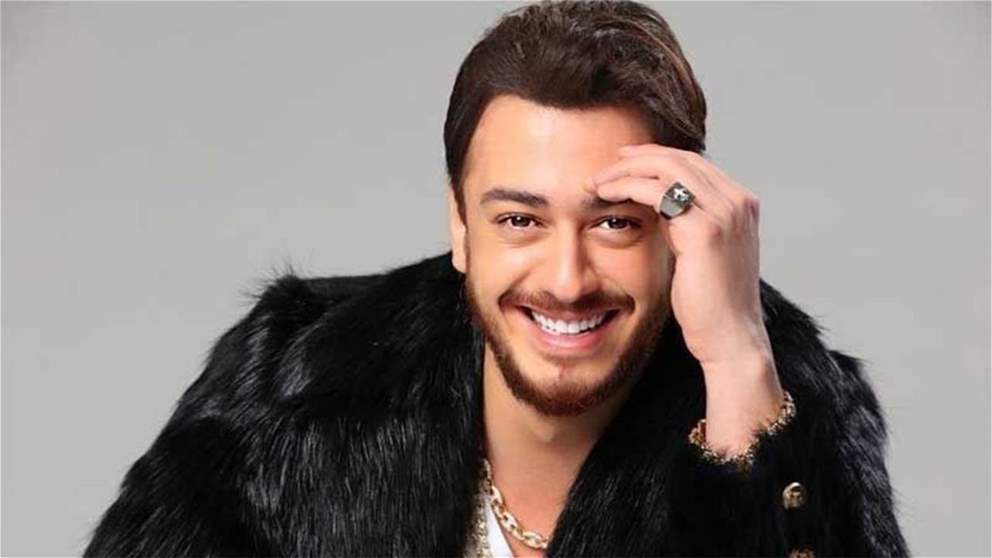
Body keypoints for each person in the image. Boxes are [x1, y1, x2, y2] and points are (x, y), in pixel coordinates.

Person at [83, 1, 909, 556]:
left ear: (677, 235)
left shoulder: (793, 408)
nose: (567, 279)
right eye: (519, 220)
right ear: (460, 225)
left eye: (615, 223)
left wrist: (737, 363)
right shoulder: (290, 389)